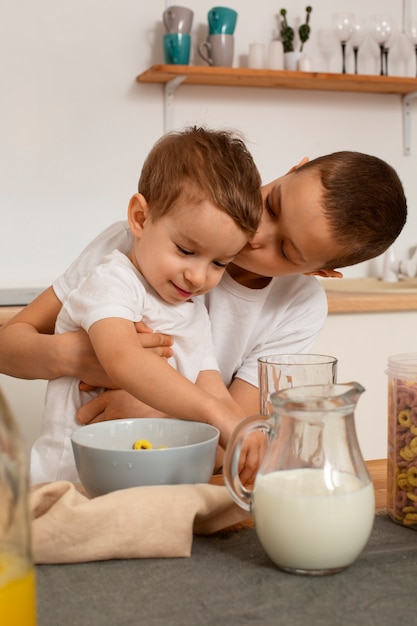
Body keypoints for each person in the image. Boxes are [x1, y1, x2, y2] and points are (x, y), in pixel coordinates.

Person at [0, 147, 407, 482]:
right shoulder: (140, 245)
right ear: (291, 169)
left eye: (285, 250)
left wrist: (157, 410)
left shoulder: (296, 307)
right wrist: (79, 355)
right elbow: (8, 345)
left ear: (318, 271)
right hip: (70, 471)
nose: (257, 235)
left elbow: (230, 439)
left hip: (164, 482)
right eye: (272, 204)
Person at [29, 126, 263, 484]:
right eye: (186, 250)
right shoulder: (111, 281)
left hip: (143, 478)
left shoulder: (193, 311)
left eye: (219, 263)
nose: (198, 277)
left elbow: (212, 386)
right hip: (69, 482)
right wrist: (213, 411)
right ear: (140, 218)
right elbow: (124, 359)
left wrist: (245, 433)